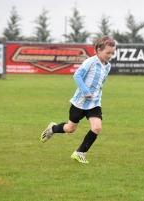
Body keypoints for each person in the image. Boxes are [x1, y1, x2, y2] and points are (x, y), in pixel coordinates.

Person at [40, 36, 116, 164]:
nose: (110, 55)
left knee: (97, 127)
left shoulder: (107, 66)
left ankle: (80, 153)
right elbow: (77, 75)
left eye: (112, 53)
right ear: (98, 50)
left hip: (94, 103)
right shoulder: (90, 62)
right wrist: (85, 91)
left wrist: (96, 95)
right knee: (70, 128)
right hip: (80, 101)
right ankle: (52, 129)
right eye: (108, 52)